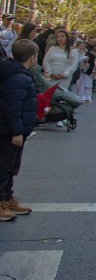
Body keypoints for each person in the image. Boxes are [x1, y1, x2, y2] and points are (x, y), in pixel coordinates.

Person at [0, 39, 38, 221]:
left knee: (11, 168)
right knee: (4, 167)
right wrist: (16, 131)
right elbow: (12, 107)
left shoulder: (19, 74)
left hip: (14, 129)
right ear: (32, 57)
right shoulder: (18, 78)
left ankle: (7, 198)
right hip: (9, 131)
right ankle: (1, 201)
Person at [43, 29, 79, 94]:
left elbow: (74, 65)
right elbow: (46, 61)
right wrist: (49, 72)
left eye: (62, 36)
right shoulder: (52, 49)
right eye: (58, 37)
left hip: (64, 78)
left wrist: (64, 75)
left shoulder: (73, 51)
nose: (60, 39)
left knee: (61, 93)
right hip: (51, 76)